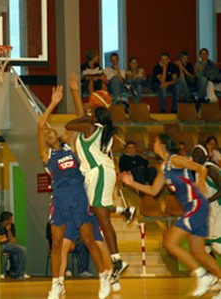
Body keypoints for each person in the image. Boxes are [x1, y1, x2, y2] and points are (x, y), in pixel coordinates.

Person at [119, 133, 221, 298]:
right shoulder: (164, 167)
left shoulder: (174, 160)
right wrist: (132, 183)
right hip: (196, 207)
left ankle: (202, 275)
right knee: (198, 251)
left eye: (156, 142)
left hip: (196, 205)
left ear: (163, 145)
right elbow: (153, 190)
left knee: (169, 241)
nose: (154, 145)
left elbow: (201, 168)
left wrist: (201, 182)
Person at [38, 85, 111, 299]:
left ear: (58, 134)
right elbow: (40, 124)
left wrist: (74, 93)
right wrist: (52, 103)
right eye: (46, 133)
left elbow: (81, 120)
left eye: (51, 131)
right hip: (59, 200)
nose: (48, 133)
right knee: (57, 244)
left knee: (88, 239)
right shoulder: (46, 154)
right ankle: (56, 284)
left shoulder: (71, 145)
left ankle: (104, 276)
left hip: (79, 196)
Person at [65, 73, 135, 286]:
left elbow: (69, 124)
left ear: (95, 109)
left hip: (99, 172)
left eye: (91, 103)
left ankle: (117, 260)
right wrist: (76, 93)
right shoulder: (102, 129)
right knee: (99, 213)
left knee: (101, 217)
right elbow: (79, 123)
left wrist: (86, 111)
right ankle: (117, 258)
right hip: (101, 173)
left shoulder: (89, 125)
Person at [192, 145, 221, 255]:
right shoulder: (199, 170)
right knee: (203, 246)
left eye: (199, 153)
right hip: (210, 211)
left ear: (206, 155)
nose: (196, 156)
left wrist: (207, 201)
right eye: (194, 153)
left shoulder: (209, 168)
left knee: (217, 244)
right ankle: (213, 271)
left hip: (218, 209)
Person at [0, 211, 29, 280]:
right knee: (0, 249)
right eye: (11, 219)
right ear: (6, 220)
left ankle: (21, 273)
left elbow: (13, 241)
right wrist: (1, 238)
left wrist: (9, 230)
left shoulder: (12, 226)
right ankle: (2, 273)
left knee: (22, 250)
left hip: (7, 244)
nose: (12, 221)